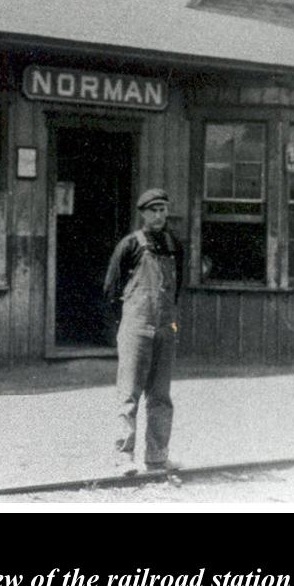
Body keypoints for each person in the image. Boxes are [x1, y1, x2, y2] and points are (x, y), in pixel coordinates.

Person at [103, 188, 185, 474]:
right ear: (143, 213)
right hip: (136, 328)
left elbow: (176, 288)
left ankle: (158, 457)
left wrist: (168, 321)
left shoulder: (175, 245)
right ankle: (123, 457)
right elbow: (111, 290)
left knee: (161, 396)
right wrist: (125, 326)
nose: (160, 215)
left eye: (163, 209)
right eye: (154, 210)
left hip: (165, 328)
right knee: (129, 394)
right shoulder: (130, 245)